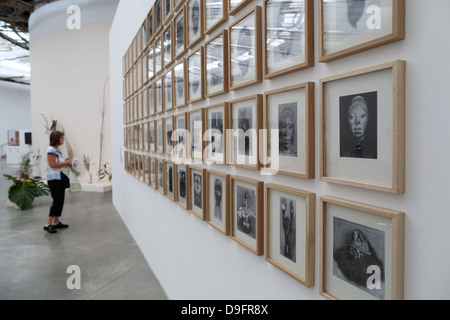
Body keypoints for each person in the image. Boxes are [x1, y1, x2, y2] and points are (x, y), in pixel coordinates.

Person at [43, 131, 75, 234]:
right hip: (54, 179)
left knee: (60, 200)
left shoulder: (56, 150)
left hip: (58, 178)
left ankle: (56, 222)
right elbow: (53, 164)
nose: (63, 139)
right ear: (57, 139)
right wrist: (66, 162)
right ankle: (48, 224)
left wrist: (66, 160)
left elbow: (58, 162)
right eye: (62, 137)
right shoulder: (51, 150)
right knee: (57, 201)